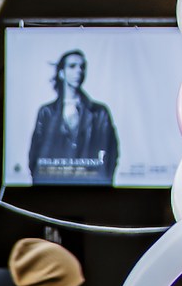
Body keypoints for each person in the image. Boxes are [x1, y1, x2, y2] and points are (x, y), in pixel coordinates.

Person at [27, 48, 119, 186]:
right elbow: (36, 154)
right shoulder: (46, 112)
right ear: (61, 73)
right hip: (53, 188)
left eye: (82, 67)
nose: (79, 71)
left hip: (90, 187)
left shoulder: (99, 112)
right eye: (72, 66)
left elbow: (111, 152)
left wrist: (101, 181)